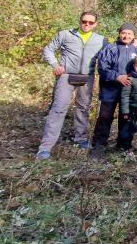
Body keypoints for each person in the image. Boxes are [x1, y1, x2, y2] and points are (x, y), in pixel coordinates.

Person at [36, 11, 105, 159]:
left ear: (95, 24)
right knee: (58, 109)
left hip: (87, 77)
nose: (86, 24)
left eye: (90, 22)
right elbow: (48, 49)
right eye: (84, 21)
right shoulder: (66, 34)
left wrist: (135, 44)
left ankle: (80, 139)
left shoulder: (101, 40)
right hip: (66, 76)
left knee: (83, 108)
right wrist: (55, 64)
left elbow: (113, 51)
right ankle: (45, 147)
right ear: (80, 21)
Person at [90, 22, 137, 157]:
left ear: (134, 35)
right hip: (110, 90)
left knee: (126, 117)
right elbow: (103, 69)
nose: (126, 36)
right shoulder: (110, 48)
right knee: (105, 117)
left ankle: (123, 144)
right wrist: (117, 77)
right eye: (123, 33)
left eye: (129, 33)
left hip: (130, 91)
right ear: (119, 33)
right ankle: (98, 145)